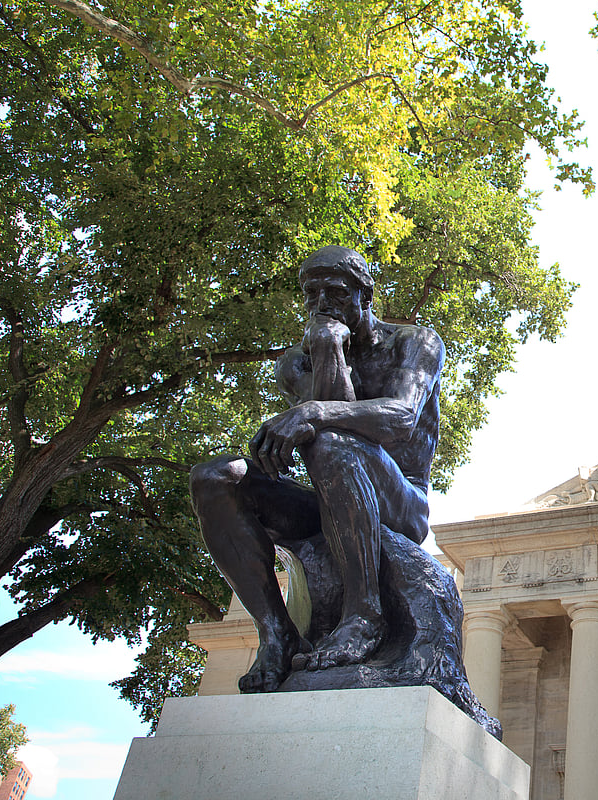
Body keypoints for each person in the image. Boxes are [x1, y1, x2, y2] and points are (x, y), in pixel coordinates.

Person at [189, 245, 446, 693]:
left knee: (330, 437)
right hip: (331, 494)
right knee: (215, 478)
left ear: (366, 294)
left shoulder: (414, 343)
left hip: (401, 502)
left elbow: (400, 419)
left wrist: (313, 412)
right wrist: (328, 347)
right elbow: (329, 417)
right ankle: (277, 633)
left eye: (336, 291)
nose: (322, 303)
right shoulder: (295, 361)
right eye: (312, 294)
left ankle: (364, 615)